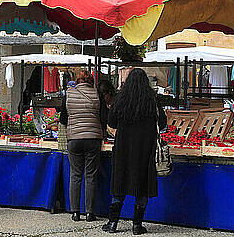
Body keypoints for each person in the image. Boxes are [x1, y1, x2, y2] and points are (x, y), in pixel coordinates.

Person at [102, 68, 167, 235]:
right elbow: (163, 123)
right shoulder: (152, 99)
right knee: (143, 184)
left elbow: (112, 122)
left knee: (119, 183)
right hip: (145, 148)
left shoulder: (121, 98)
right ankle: (137, 226)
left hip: (124, 147)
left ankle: (112, 223)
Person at [59, 70, 103, 223]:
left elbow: (63, 119)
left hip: (74, 139)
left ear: (76, 81)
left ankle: (75, 212)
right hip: (93, 139)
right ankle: (90, 213)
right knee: (90, 176)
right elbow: (103, 117)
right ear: (91, 80)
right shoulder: (97, 94)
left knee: (75, 175)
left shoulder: (68, 94)